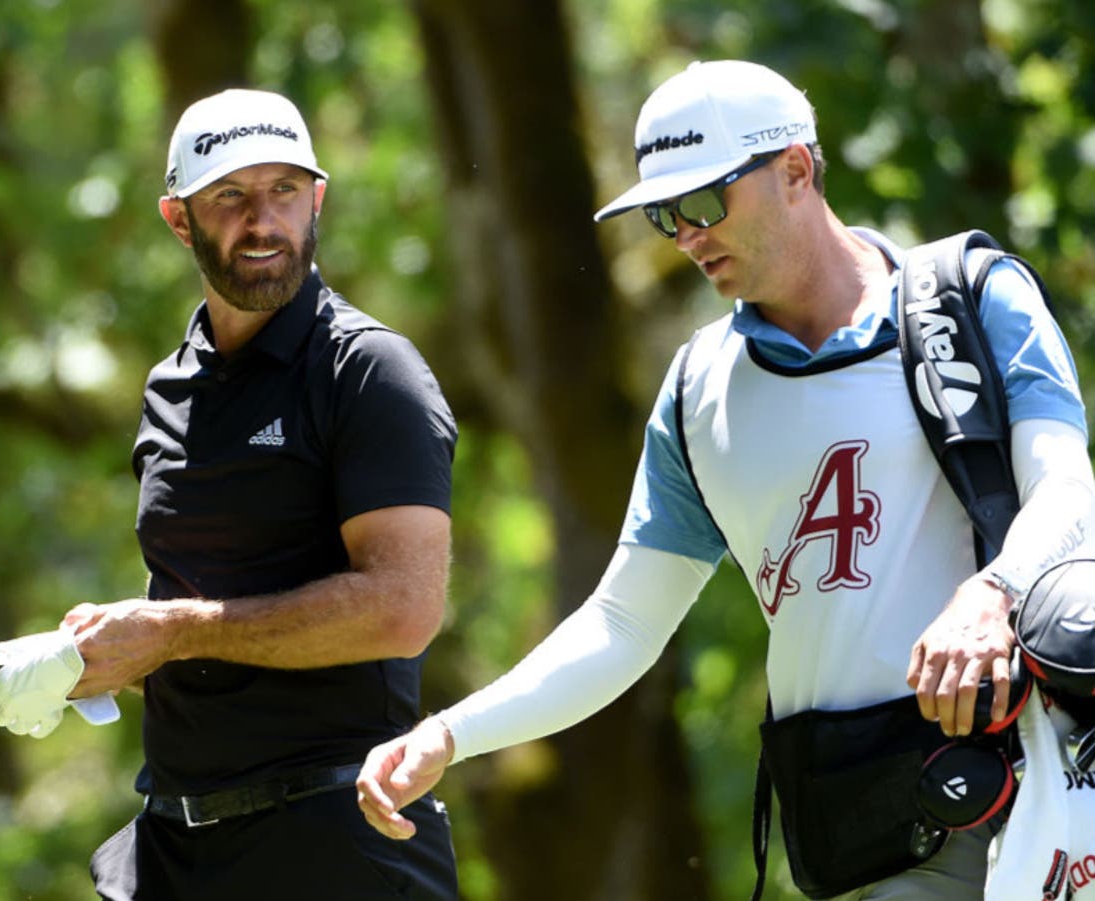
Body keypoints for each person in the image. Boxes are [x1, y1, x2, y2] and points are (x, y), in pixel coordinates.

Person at [356, 59, 1095, 899]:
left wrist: (991, 594)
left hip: (1048, 790)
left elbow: (1068, 490)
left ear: (795, 170)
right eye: (664, 215)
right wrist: (451, 734)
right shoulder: (696, 390)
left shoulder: (971, 293)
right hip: (870, 829)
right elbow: (624, 623)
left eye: (705, 201)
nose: (687, 234)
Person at [63, 88, 460, 900]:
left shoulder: (369, 371)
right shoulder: (169, 386)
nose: (263, 221)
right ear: (180, 220)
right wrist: (115, 647)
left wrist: (168, 632)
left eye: (284, 190)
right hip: (173, 844)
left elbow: (405, 606)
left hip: (336, 844)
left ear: (316, 200)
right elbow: (201, 610)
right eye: (230, 197)